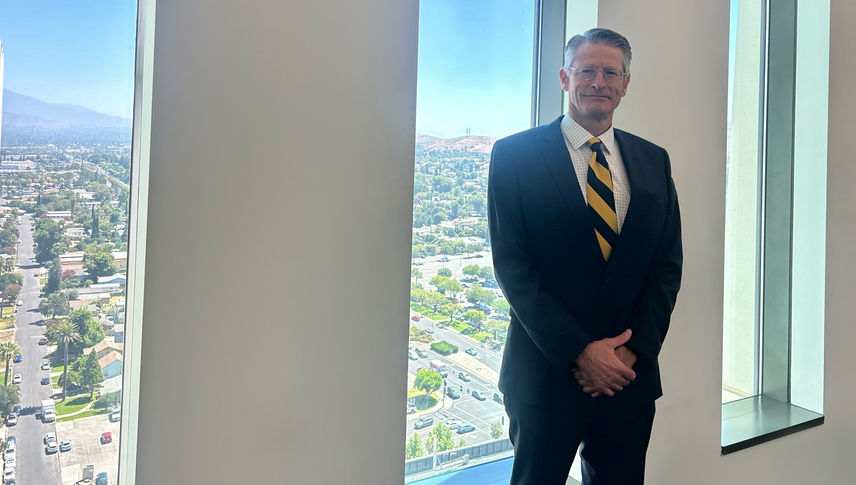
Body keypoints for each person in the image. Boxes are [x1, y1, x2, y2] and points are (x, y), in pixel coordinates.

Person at [487, 28, 682, 485]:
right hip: (545, 375)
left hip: (627, 377)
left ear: (625, 83)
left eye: (610, 72)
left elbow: (666, 266)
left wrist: (631, 352)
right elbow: (514, 268)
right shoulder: (514, 156)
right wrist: (579, 352)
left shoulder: (654, 160)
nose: (598, 81)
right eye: (586, 70)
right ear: (563, 77)